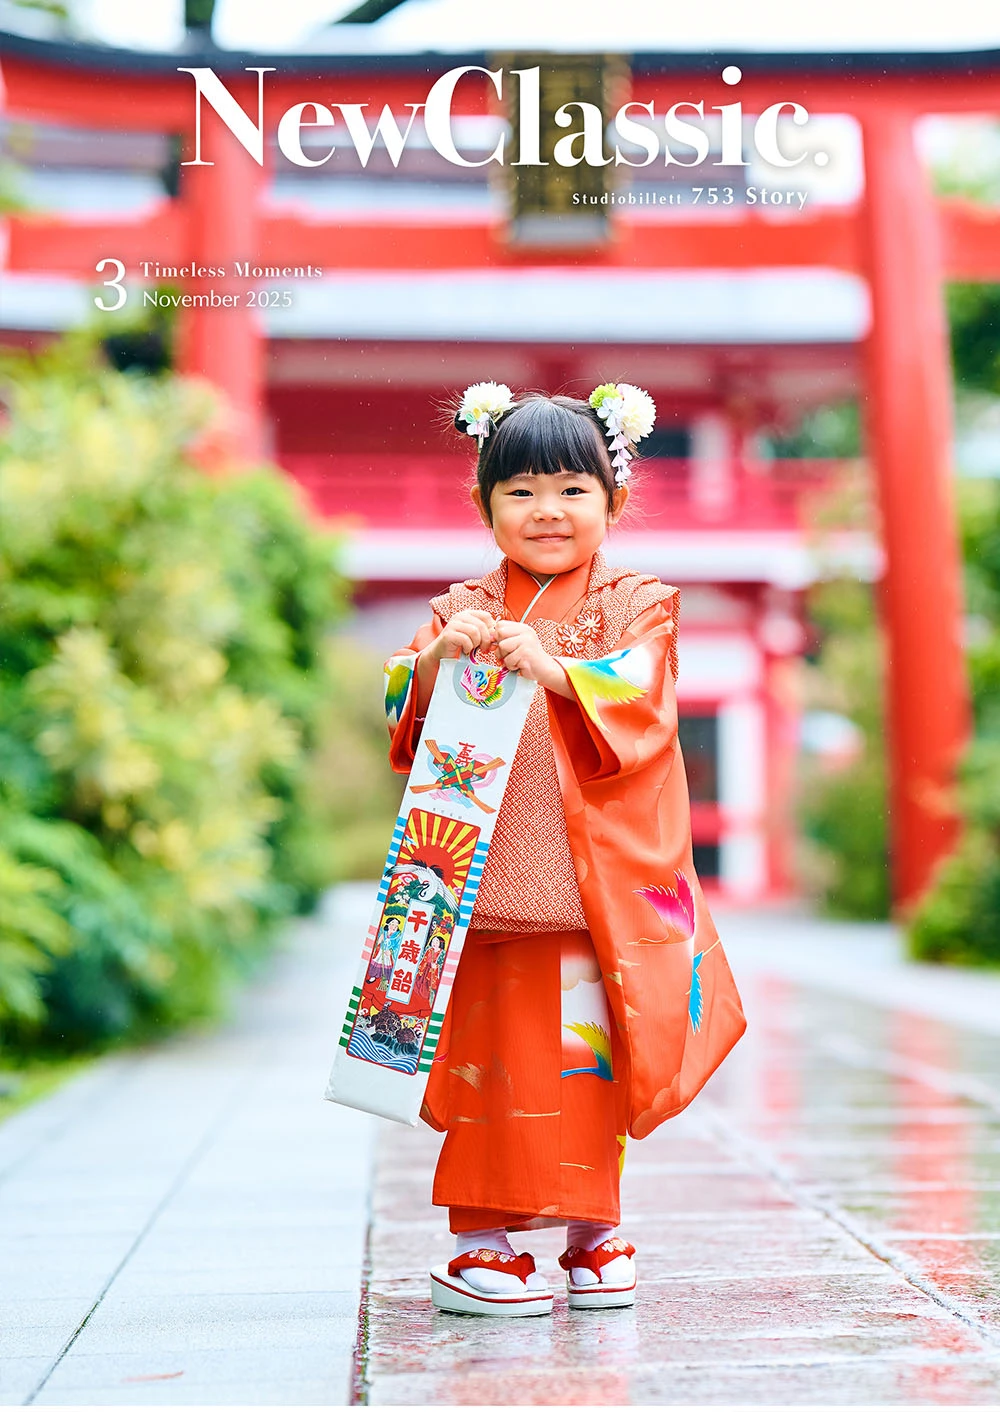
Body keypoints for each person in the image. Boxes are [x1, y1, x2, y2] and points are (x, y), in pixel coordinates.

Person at [383, 382, 746, 1316]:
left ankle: (596, 1232)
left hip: (592, 890)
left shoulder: (638, 605)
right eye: (522, 491)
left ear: (614, 501)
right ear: (484, 503)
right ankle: (480, 1241)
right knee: (488, 1064)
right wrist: (432, 662)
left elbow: (644, 699)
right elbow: (401, 709)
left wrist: (555, 666)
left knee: (586, 1057)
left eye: (573, 489)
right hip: (487, 883)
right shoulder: (459, 604)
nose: (548, 511)